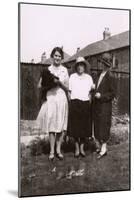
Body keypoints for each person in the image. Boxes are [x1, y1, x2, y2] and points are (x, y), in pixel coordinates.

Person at [37, 47, 69, 160]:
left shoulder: (65, 70)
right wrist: (50, 84)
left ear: (62, 58)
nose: (57, 58)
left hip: (61, 98)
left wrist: (59, 82)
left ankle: (58, 149)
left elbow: (67, 88)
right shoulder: (47, 70)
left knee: (60, 125)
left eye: (59, 56)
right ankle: (51, 151)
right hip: (50, 98)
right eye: (55, 55)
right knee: (51, 124)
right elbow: (39, 85)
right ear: (52, 56)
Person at [68, 57, 94, 158]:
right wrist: (71, 101)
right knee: (75, 127)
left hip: (85, 103)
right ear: (76, 67)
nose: (80, 67)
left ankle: (82, 148)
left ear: (84, 66)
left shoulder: (88, 78)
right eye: (78, 65)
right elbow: (69, 92)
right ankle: (76, 148)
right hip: (75, 103)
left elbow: (91, 92)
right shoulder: (72, 77)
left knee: (84, 127)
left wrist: (89, 101)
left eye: (82, 65)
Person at [93, 53, 115, 159]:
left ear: (107, 64)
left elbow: (112, 93)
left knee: (104, 125)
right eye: (102, 62)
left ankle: (104, 149)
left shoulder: (110, 75)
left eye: (104, 63)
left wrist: (101, 96)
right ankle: (99, 147)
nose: (102, 65)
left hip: (105, 105)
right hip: (97, 105)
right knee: (97, 125)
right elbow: (98, 87)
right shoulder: (99, 74)